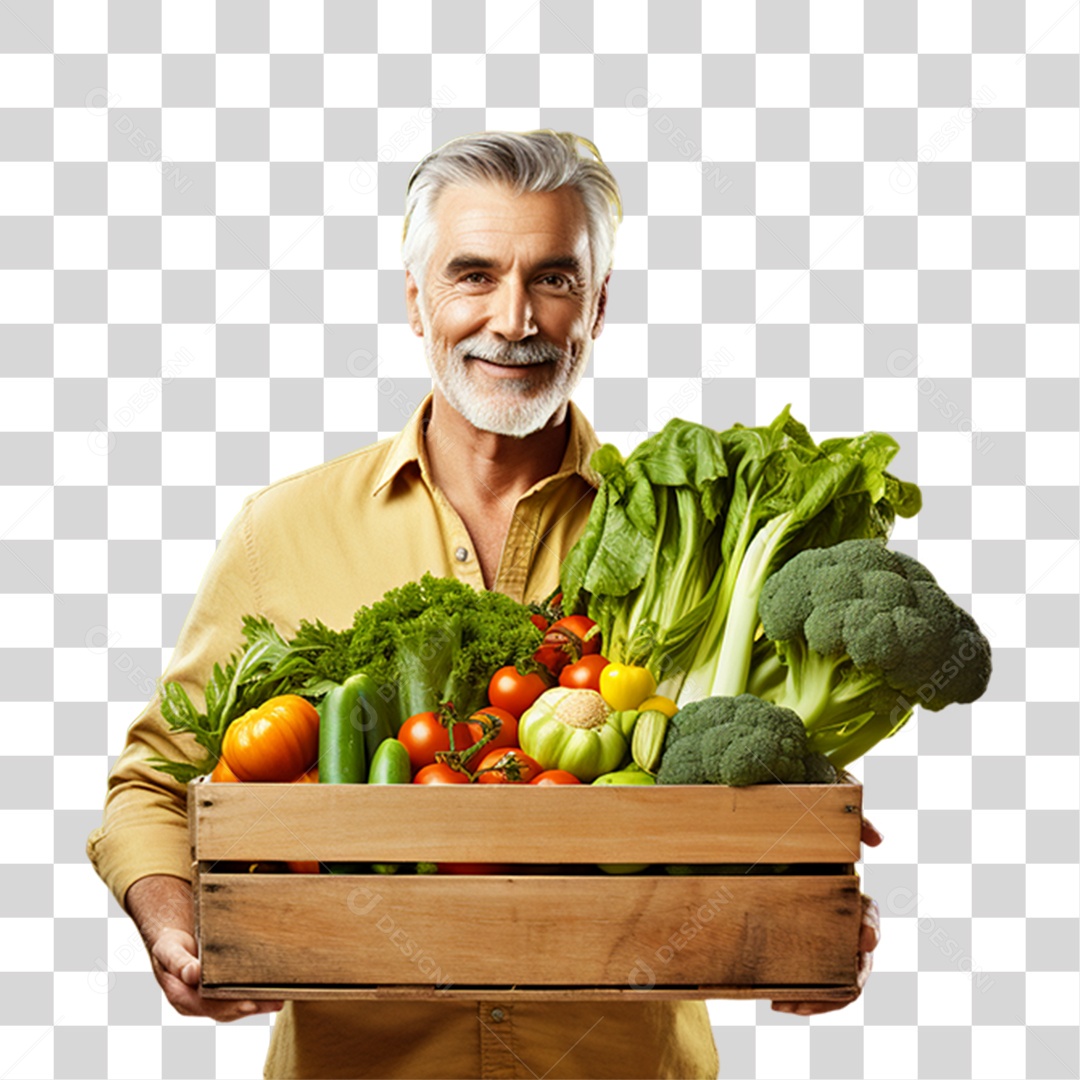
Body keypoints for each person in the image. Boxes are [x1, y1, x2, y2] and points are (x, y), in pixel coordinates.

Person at [87, 129, 880, 1079]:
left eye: (553, 277)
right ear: (416, 300)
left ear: (597, 304)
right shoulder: (282, 530)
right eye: (473, 275)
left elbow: (764, 784)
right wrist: (171, 924)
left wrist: (817, 899)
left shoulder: (686, 542)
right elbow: (153, 783)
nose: (515, 319)